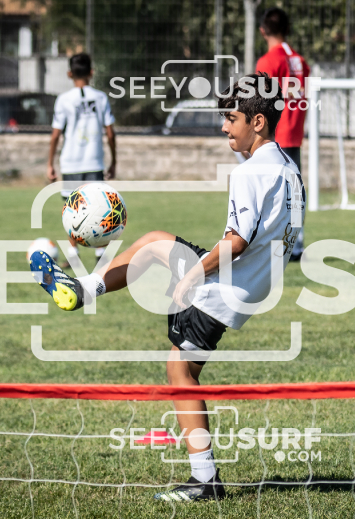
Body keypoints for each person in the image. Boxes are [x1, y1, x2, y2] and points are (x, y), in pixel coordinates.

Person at [29, 73, 305, 502]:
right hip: (251, 284)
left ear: (257, 122)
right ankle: (85, 289)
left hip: (225, 285)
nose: (223, 127)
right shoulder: (289, 168)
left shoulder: (251, 172)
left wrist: (195, 274)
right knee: (155, 247)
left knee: (180, 371)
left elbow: (237, 241)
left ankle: (205, 480)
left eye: (230, 118)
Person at [47, 53, 117, 262]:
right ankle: (100, 253)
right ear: (91, 73)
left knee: (72, 209)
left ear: (69, 74)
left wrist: (50, 163)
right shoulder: (101, 98)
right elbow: (110, 133)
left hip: (71, 162)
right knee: (101, 207)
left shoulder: (63, 100)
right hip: (94, 161)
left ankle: (73, 254)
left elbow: (55, 135)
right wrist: (113, 161)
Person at [255, 6, 310, 260]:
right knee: (293, 193)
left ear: (262, 31)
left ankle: (274, 246)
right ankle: (295, 245)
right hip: (294, 132)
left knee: (270, 193)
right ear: (288, 29)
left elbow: (260, 99)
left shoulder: (268, 61)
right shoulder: (300, 61)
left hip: (275, 134)